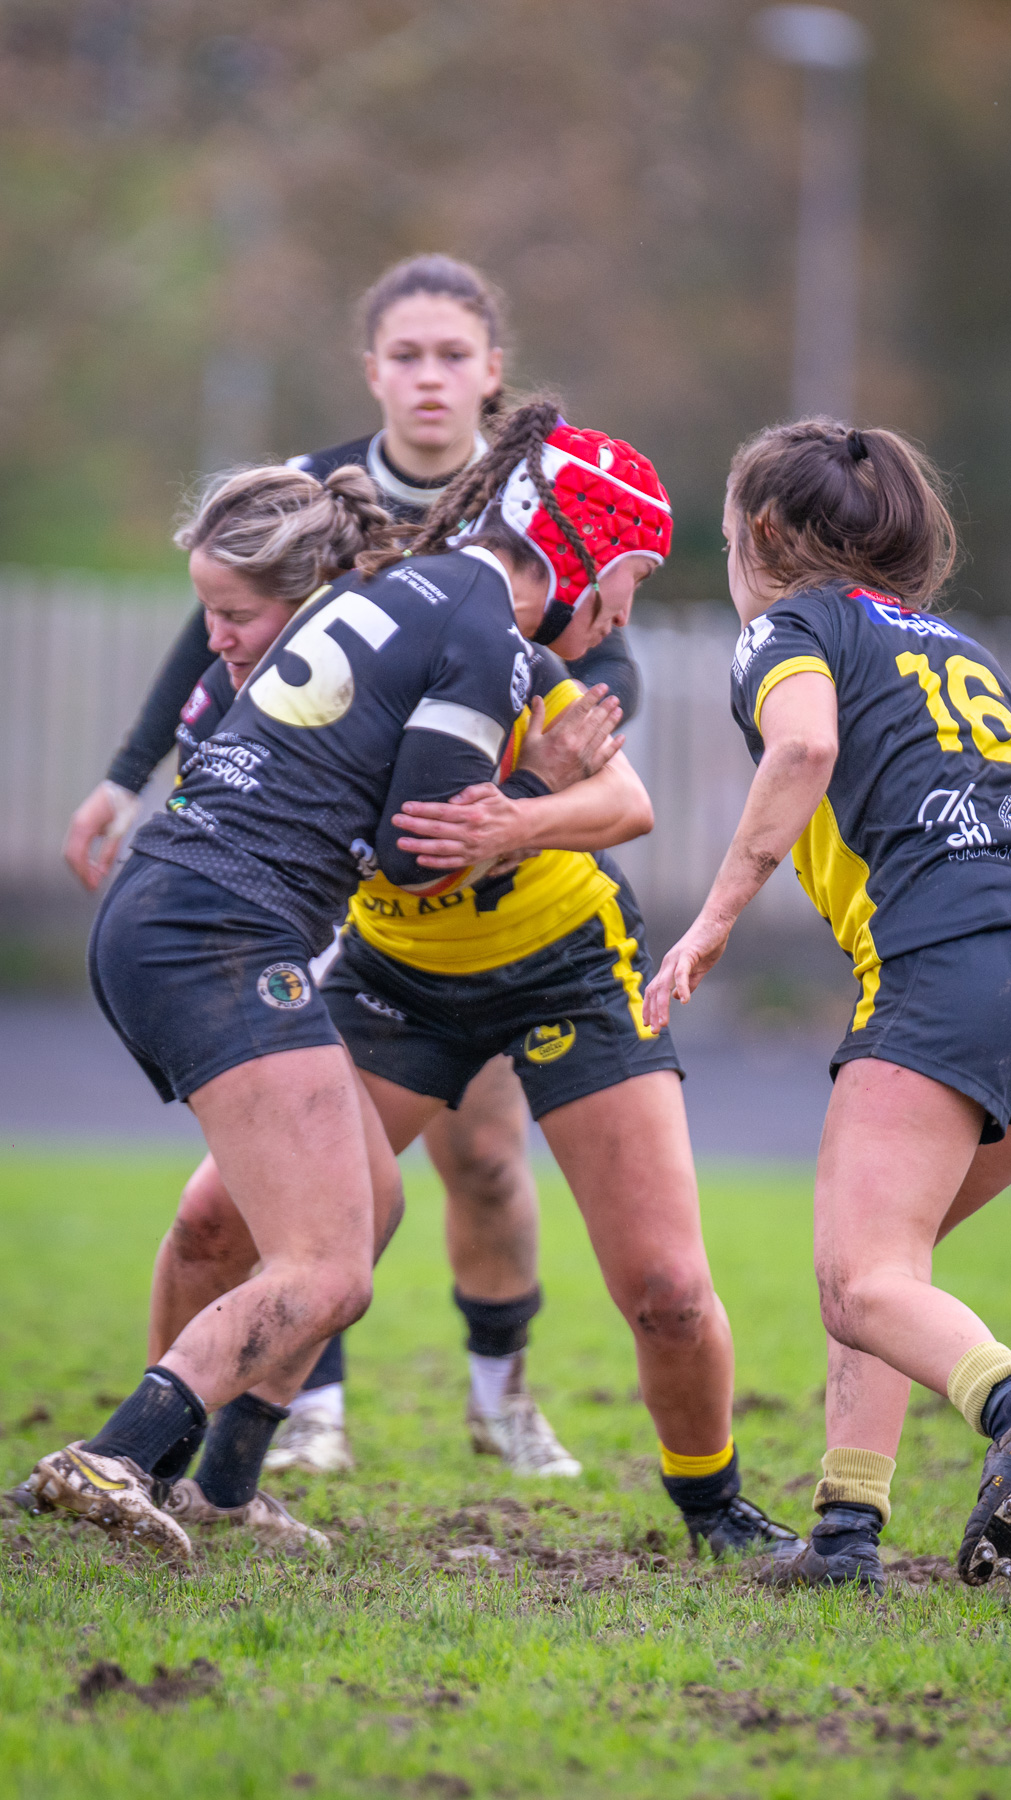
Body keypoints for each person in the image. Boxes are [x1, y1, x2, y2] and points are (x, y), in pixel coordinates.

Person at [138, 402, 808, 1568]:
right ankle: (176, 1475)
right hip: (397, 972)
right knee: (216, 1220)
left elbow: (626, 805)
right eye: (634, 575)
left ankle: (714, 1509)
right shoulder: (381, 615)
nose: (628, 608)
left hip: (565, 969)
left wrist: (519, 817)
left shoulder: (523, 653)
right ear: (580, 549)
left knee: (662, 1283)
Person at [63, 254, 640, 1479]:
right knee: (322, 1260)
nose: (624, 621)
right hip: (231, 925)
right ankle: (124, 1463)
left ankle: (219, 1485)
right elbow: (415, 847)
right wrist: (529, 795)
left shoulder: (386, 572)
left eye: (452, 356)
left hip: (190, 898)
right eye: (624, 587)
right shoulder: (469, 616)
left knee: (361, 1210)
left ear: (490, 377)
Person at [646, 418, 1011, 1591]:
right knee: (875, 1271)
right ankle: (846, 1536)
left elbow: (801, 747)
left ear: (758, 535)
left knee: (861, 1277)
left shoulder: (784, 626)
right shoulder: (946, 642)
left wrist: (709, 919)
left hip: (952, 960)